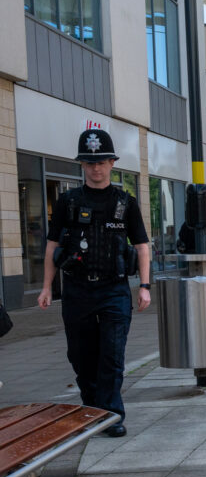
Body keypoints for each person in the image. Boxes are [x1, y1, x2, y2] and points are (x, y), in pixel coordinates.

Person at [37, 129, 151, 438]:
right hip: (77, 290)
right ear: (82, 166)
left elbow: (142, 246)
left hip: (114, 289)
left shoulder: (125, 203)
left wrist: (144, 286)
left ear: (112, 162)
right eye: (89, 163)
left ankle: (111, 415)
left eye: (101, 161)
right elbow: (51, 247)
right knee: (81, 356)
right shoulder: (68, 202)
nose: (95, 168)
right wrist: (47, 287)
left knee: (112, 356)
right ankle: (91, 409)